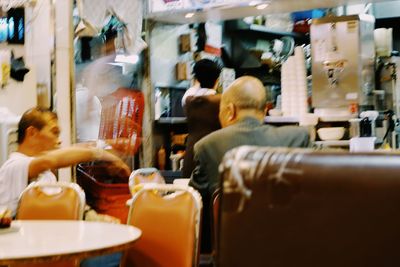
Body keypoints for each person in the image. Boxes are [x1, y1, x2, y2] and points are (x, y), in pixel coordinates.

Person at [189, 76, 310, 253]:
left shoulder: (207, 146)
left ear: (230, 110)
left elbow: (195, 205)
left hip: (231, 253)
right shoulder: (298, 138)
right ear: (265, 109)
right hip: (290, 250)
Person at [0, 107, 131, 217]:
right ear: (32, 133)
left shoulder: (46, 174)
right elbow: (51, 159)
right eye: (54, 132)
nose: (59, 140)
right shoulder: (14, 166)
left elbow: (69, 151)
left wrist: (106, 146)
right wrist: (103, 155)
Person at [181, 59, 222, 177]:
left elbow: (194, 90)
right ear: (217, 80)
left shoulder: (188, 99)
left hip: (191, 154)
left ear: (196, 79)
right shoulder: (223, 101)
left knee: (191, 192)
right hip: (214, 154)